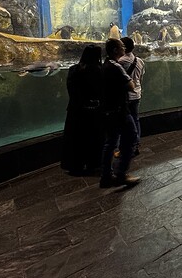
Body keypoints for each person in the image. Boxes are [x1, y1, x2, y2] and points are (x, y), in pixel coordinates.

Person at [99, 38, 141, 188]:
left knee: (110, 142)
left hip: (108, 110)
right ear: (115, 50)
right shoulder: (116, 66)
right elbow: (131, 85)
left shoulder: (105, 65)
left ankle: (106, 176)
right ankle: (121, 173)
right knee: (131, 136)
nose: (124, 48)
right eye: (121, 46)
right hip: (119, 110)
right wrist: (131, 83)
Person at [60, 44, 104, 175]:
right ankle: (93, 163)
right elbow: (101, 91)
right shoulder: (99, 70)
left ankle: (75, 164)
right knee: (94, 138)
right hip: (94, 110)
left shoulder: (74, 69)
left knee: (76, 138)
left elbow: (71, 89)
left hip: (76, 110)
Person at [118, 36, 145, 156]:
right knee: (135, 119)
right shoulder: (140, 61)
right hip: (137, 94)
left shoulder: (121, 62)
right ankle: (136, 144)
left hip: (126, 96)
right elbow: (141, 78)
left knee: (125, 122)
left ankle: (126, 147)